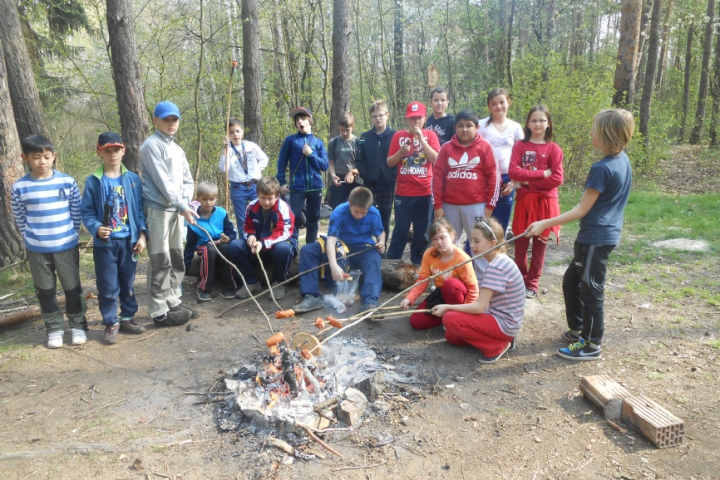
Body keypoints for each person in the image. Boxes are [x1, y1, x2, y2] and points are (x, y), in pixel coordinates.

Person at [526, 109, 635, 361]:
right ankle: (578, 330)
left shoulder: (603, 168)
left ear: (607, 134)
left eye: (595, 129)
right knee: (571, 281)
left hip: (597, 239)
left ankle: (591, 344)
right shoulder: (622, 160)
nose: (591, 133)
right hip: (592, 236)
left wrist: (544, 223)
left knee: (591, 290)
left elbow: (582, 209)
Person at [11, 135, 87, 348]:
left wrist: (72, 234)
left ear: (54, 156)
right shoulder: (20, 187)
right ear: (25, 158)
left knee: (72, 288)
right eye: (36, 157)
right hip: (37, 248)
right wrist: (31, 237)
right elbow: (20, 218)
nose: (42, 161)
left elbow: (76, 211)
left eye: (46, 156)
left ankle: (78, 325)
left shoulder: (66, 181)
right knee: (45, 290)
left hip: (65, 245)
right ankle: (54, 328)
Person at [81, 132, 148, 345]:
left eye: (116, 150)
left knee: (128, 282)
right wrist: (96, 228)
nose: (112, 154)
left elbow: (138, 211)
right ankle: (111, 322)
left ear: (124, 150)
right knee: (108, 285)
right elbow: (87, 212)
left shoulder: (132, 179)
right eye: (107, 150)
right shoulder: (94, 181)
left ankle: (127, 317)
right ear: (99, 152)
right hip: (105, 244)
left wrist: (142, 235)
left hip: (128, 242)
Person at [432, 219, 525, 364]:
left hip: (505, 323)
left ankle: (497, 346)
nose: (472, 246)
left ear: (492, 243)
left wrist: (448, 307)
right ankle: (502, 340)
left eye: (477, 241)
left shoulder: (496, 267)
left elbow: (479, 307)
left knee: (450, 319)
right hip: (502, 318)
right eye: (471, 241)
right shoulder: (500, 260)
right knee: (452, 336)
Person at [140, 100, 199, 327]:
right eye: (166, 119)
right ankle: (159, 310)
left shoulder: (177, 148)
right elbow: (162, 181)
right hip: (158, 210)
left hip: (177, 210)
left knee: (176, 256)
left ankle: (173, 300)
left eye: (174, 119)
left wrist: (184, 202)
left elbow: (187, 178)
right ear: (156, 121)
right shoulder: (151, 146)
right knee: (160, 259)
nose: (171, 123)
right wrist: (181, 205)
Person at [292, 187, 385, 314]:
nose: (359, 216)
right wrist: (334, 265)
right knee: (308, 250)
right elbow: (331, 241)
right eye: (356, 211)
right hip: (338, 244)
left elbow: (380, 232)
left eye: (364, 213)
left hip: (362, 246)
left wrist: (381, 242)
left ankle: (370, 303)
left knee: (374, 259)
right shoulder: (339, 211)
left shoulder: (374, 213)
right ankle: (312, 296)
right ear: (349, 203)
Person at [508, 105, 564, 299]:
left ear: (548, 123)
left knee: (540, 244)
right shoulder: (520, 146)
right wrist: (540, 174)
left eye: (542, 120)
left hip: (546, 203)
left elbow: (557, 179)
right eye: (534, 120)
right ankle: (519, 279)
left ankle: (532, 283)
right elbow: (513, 171)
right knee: (521, 242)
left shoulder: (554, 149)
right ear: (527, 123)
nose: (538, 124)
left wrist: (527, 182)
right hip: (524, 202)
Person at [433, 109, 500, 246]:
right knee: (448, 243)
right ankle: (452, 268)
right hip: (449, 205)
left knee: (479, 242)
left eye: (469, 125)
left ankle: (481, 268)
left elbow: (494, 177)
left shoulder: (485, 147)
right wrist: (438, 205)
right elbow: (437, 178)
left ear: (477, 127)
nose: (465, 129)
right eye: (461, 125)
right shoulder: (446, 148)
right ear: (455, 128)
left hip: (476, 205)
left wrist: (490, 205)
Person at [386, 101, 440, 265]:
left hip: (424, 192)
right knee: (401, 228)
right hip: (403, 192)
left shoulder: (430, 136)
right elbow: (389, 162)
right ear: (407, 119)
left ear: (425, 118)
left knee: (422, 231)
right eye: (412, 118)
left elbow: (436, 159)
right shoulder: (398, 136)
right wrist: (401, 152)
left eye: (419, 118)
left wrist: (422, 141)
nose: (415, 122)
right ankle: (393, 260)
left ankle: (418, 262)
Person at [401, 218, 478, 330]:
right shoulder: (429, 254)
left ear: (452, 236)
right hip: (440, 294)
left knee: (450, 284)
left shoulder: (462, 258)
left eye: (442, 237)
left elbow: (473, 288)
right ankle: (447, 318)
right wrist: (409, 298)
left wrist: (466, 312)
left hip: (458, 298)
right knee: (416, 322)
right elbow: (423, 279)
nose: (439, 242)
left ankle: (457, 317)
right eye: (435, 239)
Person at [234, 176, 297, 301]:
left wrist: (263, 243)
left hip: (279, 244)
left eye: (270, 198)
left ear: (277, 196)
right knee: (234, 246)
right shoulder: (251, 207)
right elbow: (247, 226)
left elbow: (284, 232)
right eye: (263, 198)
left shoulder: (283, 208)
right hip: (258, 246)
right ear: (257, 195)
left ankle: (279, 283)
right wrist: (250, 236)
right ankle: (251, 282)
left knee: (283, 249)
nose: (266, 202)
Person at [184, 182, 243, 302]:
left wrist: (228, 238)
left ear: (216, 199)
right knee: (209, 250)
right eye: (204, 199)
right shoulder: (194, 219)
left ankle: (230, 286)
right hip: (204, 245)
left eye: (211, 199)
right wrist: (186, 262)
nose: (208, 202)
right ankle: (204, 288)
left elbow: (231, 232)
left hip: (221, 243)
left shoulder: (221, 213)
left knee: (226, 249)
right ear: (198, 199)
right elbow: (190, 243)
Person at [276, 107, 328, 244]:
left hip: (315, 186)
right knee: (295, 216)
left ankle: (310, 248)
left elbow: (325, 166)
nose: (300, 122)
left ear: (310, 121)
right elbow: (282, 162)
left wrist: (311, 154)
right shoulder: (291, 140)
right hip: (297, 186)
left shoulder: (318, 143)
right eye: (297, 120)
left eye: (303, 119)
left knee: (313, 217)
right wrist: (281, 182)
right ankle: (293, 247)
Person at [478, 89, 525, 236]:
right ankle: (478, 251)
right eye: (494, 104)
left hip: (507, 178)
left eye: (502, 102)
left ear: (508, 103)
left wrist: (514, 181)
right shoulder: (481, 125)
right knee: (483, 217)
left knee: (502, 219)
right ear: (489, 106)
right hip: (484, 178)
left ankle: (498, 251)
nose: (498, 106)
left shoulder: (515, 127)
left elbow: (522, 157)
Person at [356, 100, 397, 249]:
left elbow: (400, 159)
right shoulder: (364, 137)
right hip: (370, 184)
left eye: (381, 115)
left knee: (385, 216)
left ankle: (382, 246)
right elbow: (359, 160)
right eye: (374, 116)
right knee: (367, 214)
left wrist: (393, 176)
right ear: (371, 118)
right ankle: (365, 245)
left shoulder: (395, 135)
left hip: (388, 184)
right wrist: (366, 175)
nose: (378, 118)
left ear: (387, 115)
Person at [219, 118, 269, 226]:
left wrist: (256, 171)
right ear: (228, 135)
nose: (235, 134)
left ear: (242, 131)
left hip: (254, 185)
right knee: (242, 219)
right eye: (231, 132)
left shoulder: (250, 146)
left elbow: (264, 159)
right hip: (238, 188)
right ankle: (243, 241)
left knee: (259, 214)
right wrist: (224, 150)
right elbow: (224, 168)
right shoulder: (229, 150)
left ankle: (260, 239)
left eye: (237, 131)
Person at [327, 111, 362, 208]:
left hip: (355, 181)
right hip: (339, 181)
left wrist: (353, 172)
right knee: (338, 210)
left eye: (347, 130)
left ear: (352, 127)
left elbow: (364, 164)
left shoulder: (358, 142)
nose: (344, 133)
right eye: (342, 130)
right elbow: (331, 163)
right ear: (338, 127)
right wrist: (333, 176)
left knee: (356, 209)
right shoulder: (333, 143)